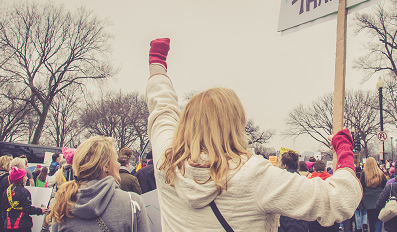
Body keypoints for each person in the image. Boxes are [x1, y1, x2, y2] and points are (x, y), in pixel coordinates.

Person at [146, 38, 361, 231]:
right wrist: (344, 151)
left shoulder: (166, 162)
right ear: (235, 126)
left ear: (185, 124)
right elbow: (339, 200)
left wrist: (157, 66)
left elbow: (162, 110)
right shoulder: (252, 175)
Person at [48, 136, 150, 232]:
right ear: (106, 166)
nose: (119, 164)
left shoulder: (62, 204)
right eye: (116, 160)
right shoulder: (132, 203)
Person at [0, 166, 46, 232]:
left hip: (8, 225)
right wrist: (40, 210)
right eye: (25, 176)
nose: (27, 178)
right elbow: (27, 209)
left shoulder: (6, 191)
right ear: (21, 179)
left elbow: (3, 207)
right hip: (22, 225)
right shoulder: (24, 192)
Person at [278, 151, 308, 232]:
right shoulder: (304, 181)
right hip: (300, 223)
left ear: (284, 165)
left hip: (282, 223)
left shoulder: (278, 182)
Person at [361, 157, 387, 232]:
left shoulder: (364, 174)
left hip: (368, 200)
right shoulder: (381, 173)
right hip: (379, 197)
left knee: (371, 218)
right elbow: (384, 186)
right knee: (379, 217)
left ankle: (372, 230)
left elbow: (362, 186)